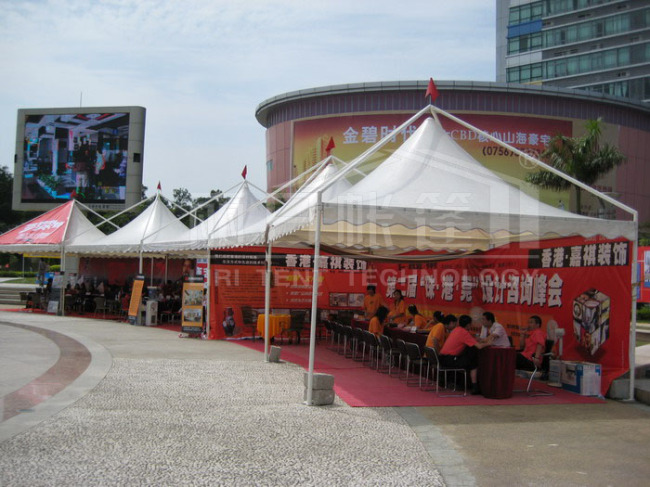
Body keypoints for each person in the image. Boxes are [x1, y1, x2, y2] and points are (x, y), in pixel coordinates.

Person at [439, 314, 492, 394]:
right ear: (468, 325)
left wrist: (475, 340)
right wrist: (489, 343)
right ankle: (474, 387)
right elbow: (479, 346)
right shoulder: (464, 333)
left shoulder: (457, 329)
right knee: (473, 362)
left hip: (442, 358)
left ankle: (467, 385)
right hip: (449, 360)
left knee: (469, 357)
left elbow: (468, 340)